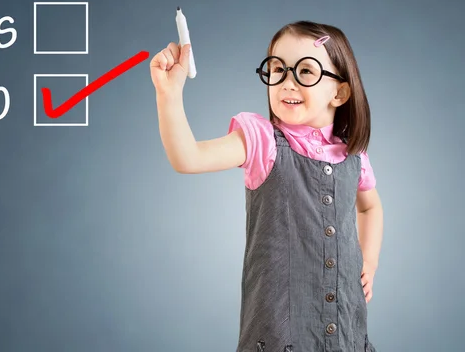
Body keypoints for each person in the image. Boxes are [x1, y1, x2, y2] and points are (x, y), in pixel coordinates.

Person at [149, 21, 383, 352]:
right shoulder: (261, 140)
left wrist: (369, 261)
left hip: (347, 331)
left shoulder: (353, 154)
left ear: (340, 92)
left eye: (305, 72)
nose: (287, 82)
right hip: (278, 335)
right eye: (277, 70)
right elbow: (188, 158)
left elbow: (370, 206)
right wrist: (168, 94)